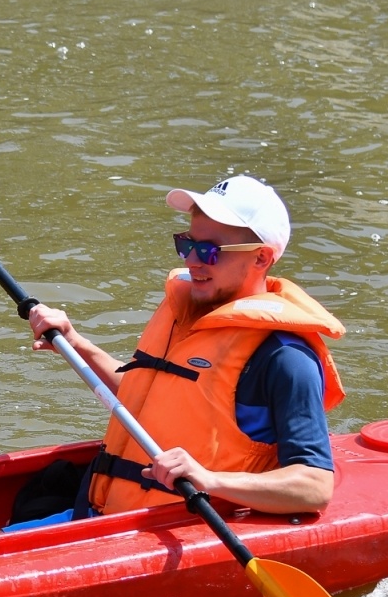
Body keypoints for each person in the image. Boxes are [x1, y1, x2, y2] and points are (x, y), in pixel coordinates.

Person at [22, 175, 344, 520]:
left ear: (261, 258)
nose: (192, 261)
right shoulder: (186, 313)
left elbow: (314, 487)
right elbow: (145, 397)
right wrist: (74, 342)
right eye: (186, 244)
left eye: (209, 251)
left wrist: (210, 480)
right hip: (96, 516)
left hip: (176, 534)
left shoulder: (284, 357)